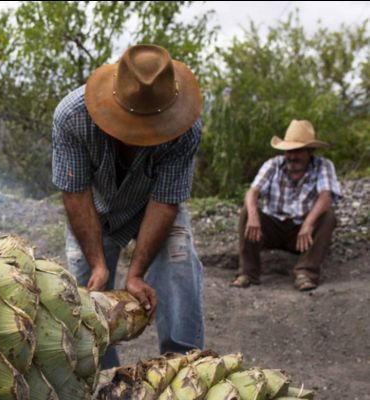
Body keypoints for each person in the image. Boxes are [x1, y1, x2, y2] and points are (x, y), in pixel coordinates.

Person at [52, 44, 204, 368]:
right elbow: (76, 194)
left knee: (179, 263)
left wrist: (135, 274)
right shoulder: (72, 117)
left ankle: (185, 367)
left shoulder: (185, 130)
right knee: (86, 291)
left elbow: (164, 202)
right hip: (96, 206)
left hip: (152, 204)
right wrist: (98, 264)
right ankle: (102, 373)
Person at [231, 119, 341, 292]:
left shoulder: (323, 166)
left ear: (310, 152)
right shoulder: (273, 164)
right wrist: (253, 216)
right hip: (273, 229)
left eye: (298, 151)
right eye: (289, 151)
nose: (292, 156)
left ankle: (305, 272)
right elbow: (252, 192)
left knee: (328, 217)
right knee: (247, 211)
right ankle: (248, 273)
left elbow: (326, 197)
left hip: (303, 234)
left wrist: (308, 224)